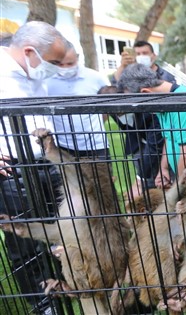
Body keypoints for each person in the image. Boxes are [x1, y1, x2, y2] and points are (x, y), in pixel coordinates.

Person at [0, 21, 67, 314]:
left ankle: (67, 285)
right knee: (24, 241)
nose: (56, 67)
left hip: (46, 162)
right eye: (52, 62)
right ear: (29, 51)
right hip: (13, 171)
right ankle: (42, 303)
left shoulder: (33, 72)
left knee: (60, 229)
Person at [46, 41, 110, 159]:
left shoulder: (96, 77)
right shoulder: (47, 81)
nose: (65, 68)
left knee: (102, 177)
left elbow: (107, 108)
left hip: (96, 144)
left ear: (78, 57)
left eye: (70, 63)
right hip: (62, 145)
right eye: (60, 64)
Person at [97, 85, 165, 195]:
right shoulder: (113, 112)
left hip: (157, 145)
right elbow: (126, 127)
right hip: (137, 144)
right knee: (145, 178)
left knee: (158, 177)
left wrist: (138, 180)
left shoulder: (147, 113)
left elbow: (154, 146)